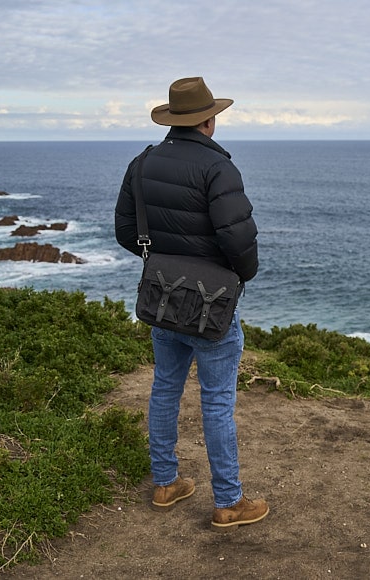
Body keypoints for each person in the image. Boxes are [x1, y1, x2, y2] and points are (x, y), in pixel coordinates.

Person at [114, 76, 267, 529]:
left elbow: (126, 233)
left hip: (162, 296)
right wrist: (240, 275)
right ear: (209, 120)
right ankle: (228, 503)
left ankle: (166, 483)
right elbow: (239, 238)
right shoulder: (219, 169)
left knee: (165, 388)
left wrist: (165, 259)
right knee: (217, 401)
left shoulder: (142, 162)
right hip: (213, 303)